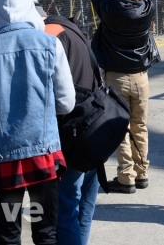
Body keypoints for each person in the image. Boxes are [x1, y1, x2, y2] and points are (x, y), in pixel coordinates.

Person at [0, 0, 75, 245]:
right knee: (46, 233)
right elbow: (66, 104)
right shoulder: (50, 45)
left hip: (1, 157)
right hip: (44, 152)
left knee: (7, 235)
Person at [91, 0, 158, 194]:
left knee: (120, 127)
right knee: (140, 126)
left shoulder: (110, 8)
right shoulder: (147, 8)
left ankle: (126, 177)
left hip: (116, 77)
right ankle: (142, 173)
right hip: (141, 77)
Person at [44, 13, 99, 245]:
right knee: (84, 205)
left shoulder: (50, 34)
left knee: (65, 208)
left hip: (71, 133)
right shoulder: (75, 31)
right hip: (93, 128)